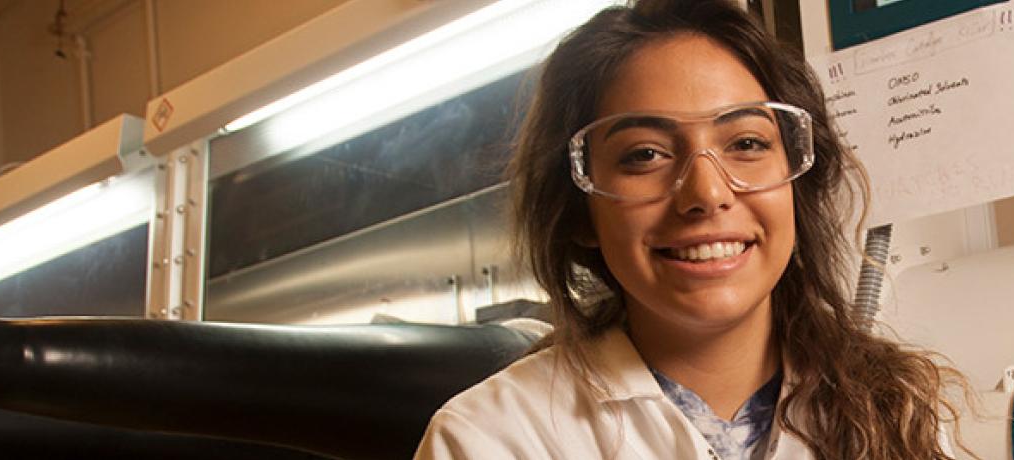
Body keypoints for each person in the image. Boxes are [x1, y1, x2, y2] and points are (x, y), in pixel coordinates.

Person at [413, 0, 969, 459]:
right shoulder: (490, 439)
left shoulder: (894, 410)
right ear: (580, 209)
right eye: (645, 154)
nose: (706, 193)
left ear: (794, 181)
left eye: (747, 144)